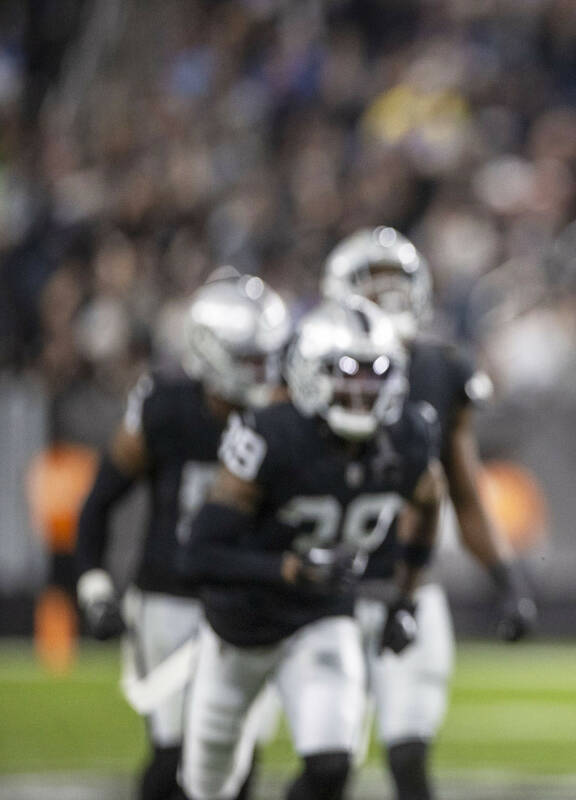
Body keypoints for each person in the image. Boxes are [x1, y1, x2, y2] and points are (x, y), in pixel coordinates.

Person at [178, 295, 443, 800]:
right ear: (308, 373)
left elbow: (430, 505)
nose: (362, 389)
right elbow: (198, 556)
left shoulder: (408, 436)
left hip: (320, 617)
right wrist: (287, 569)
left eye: (375, 373)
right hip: (238, 628)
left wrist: (405, 599)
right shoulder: (271, 435)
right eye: (347, 372)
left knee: (332, 765)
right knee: (207, 788)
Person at [322, 226, 537, 799]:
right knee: (327, 763)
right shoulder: (313, 365)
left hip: (407, 587)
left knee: (409, 757)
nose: (390, 299)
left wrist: (506, 577)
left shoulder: (440, 368)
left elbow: (464, 490)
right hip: (326, 594)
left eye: (399, 285)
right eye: (375, 287)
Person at [74, 271, 291, 800]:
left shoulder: (284, 416)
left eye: (267, 356)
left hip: (245, 601)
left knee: (236, 755)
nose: (262, 371)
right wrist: (94, 585)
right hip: (168, 598)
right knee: (173, 754)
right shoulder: (165, 406)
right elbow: (100, 499)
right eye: (248, 357)